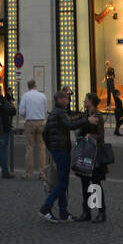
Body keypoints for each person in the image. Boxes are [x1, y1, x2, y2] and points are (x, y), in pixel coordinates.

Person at [39, 88, 86, 223]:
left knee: (62, 181)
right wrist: (85, 121)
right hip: (61, 149)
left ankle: (63, 212)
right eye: (65, 98)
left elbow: (45, 132)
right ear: (59, 100)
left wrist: (50, 147)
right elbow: (69, 125)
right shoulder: (60, 112)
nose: (68, 100)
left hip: (57, 149)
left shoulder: (55, 112)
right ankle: (45, 208)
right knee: (62, 183)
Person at [75, 93, 109, 223]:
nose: (84, 101)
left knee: (95, 184)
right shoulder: (86, 115)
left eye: (86, 99)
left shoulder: (98, 116)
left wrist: (90, 136)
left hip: (95, 153)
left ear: (91, 102)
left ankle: (101, 212)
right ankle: (86, 212)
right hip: (85, 152)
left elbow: (101, 135)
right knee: (84, 183)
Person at [18, 79, 48, 182]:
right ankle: (42, 173)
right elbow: (45, 110)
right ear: (35, 85)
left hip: (30, 122)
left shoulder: (25, 96)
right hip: (41, 122)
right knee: (41, 148)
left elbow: (21, 111)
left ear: (28, 86)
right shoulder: (42, 96)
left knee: (30, 148)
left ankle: (29, 173)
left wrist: (27, 115)